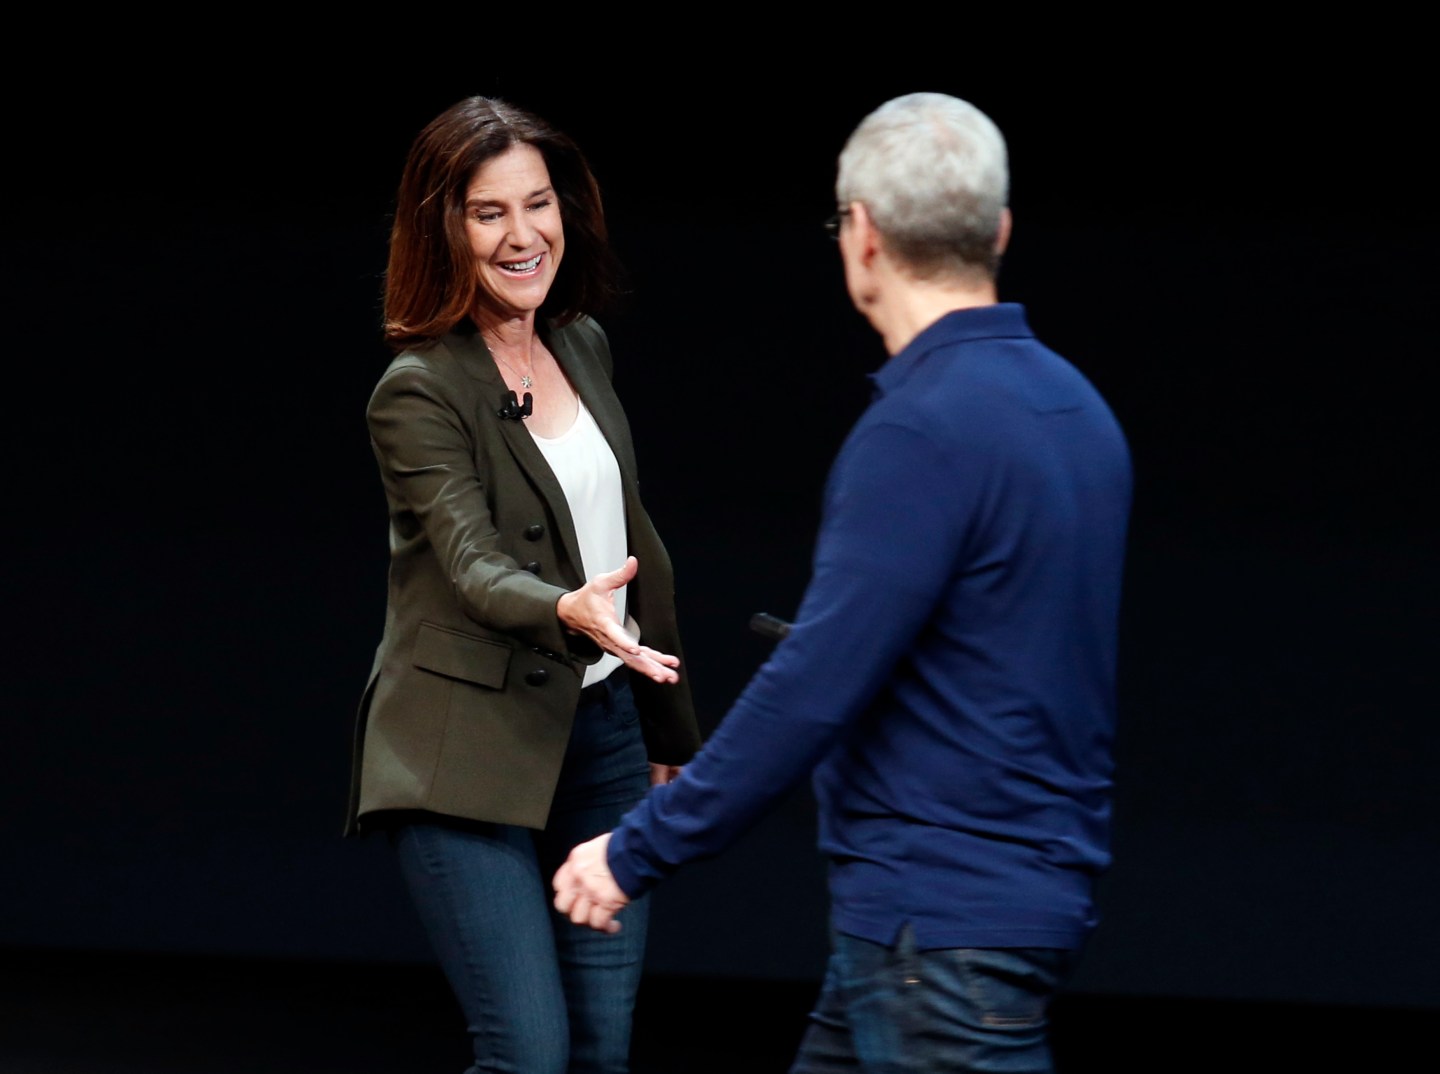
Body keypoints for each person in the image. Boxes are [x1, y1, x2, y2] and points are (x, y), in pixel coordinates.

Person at [553, 92, 1133, 1073]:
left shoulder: (919, 430)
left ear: (860, 234)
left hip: (937, 931)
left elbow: (814, 687)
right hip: (981, 914)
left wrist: (633, 849)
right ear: (997, 228)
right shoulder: (1078, 411)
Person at [343, 95, 701, 1074]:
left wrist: (667, 730)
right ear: (444, 226)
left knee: (599, 1053)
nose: (522, 235)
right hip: (465, 754)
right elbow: (468, 560)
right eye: (488, 211)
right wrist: (564, 607)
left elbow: (636, 539)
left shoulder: (578, 340)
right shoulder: (419, 388)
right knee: (530, 1056)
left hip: (603, 738)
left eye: (536, 204)